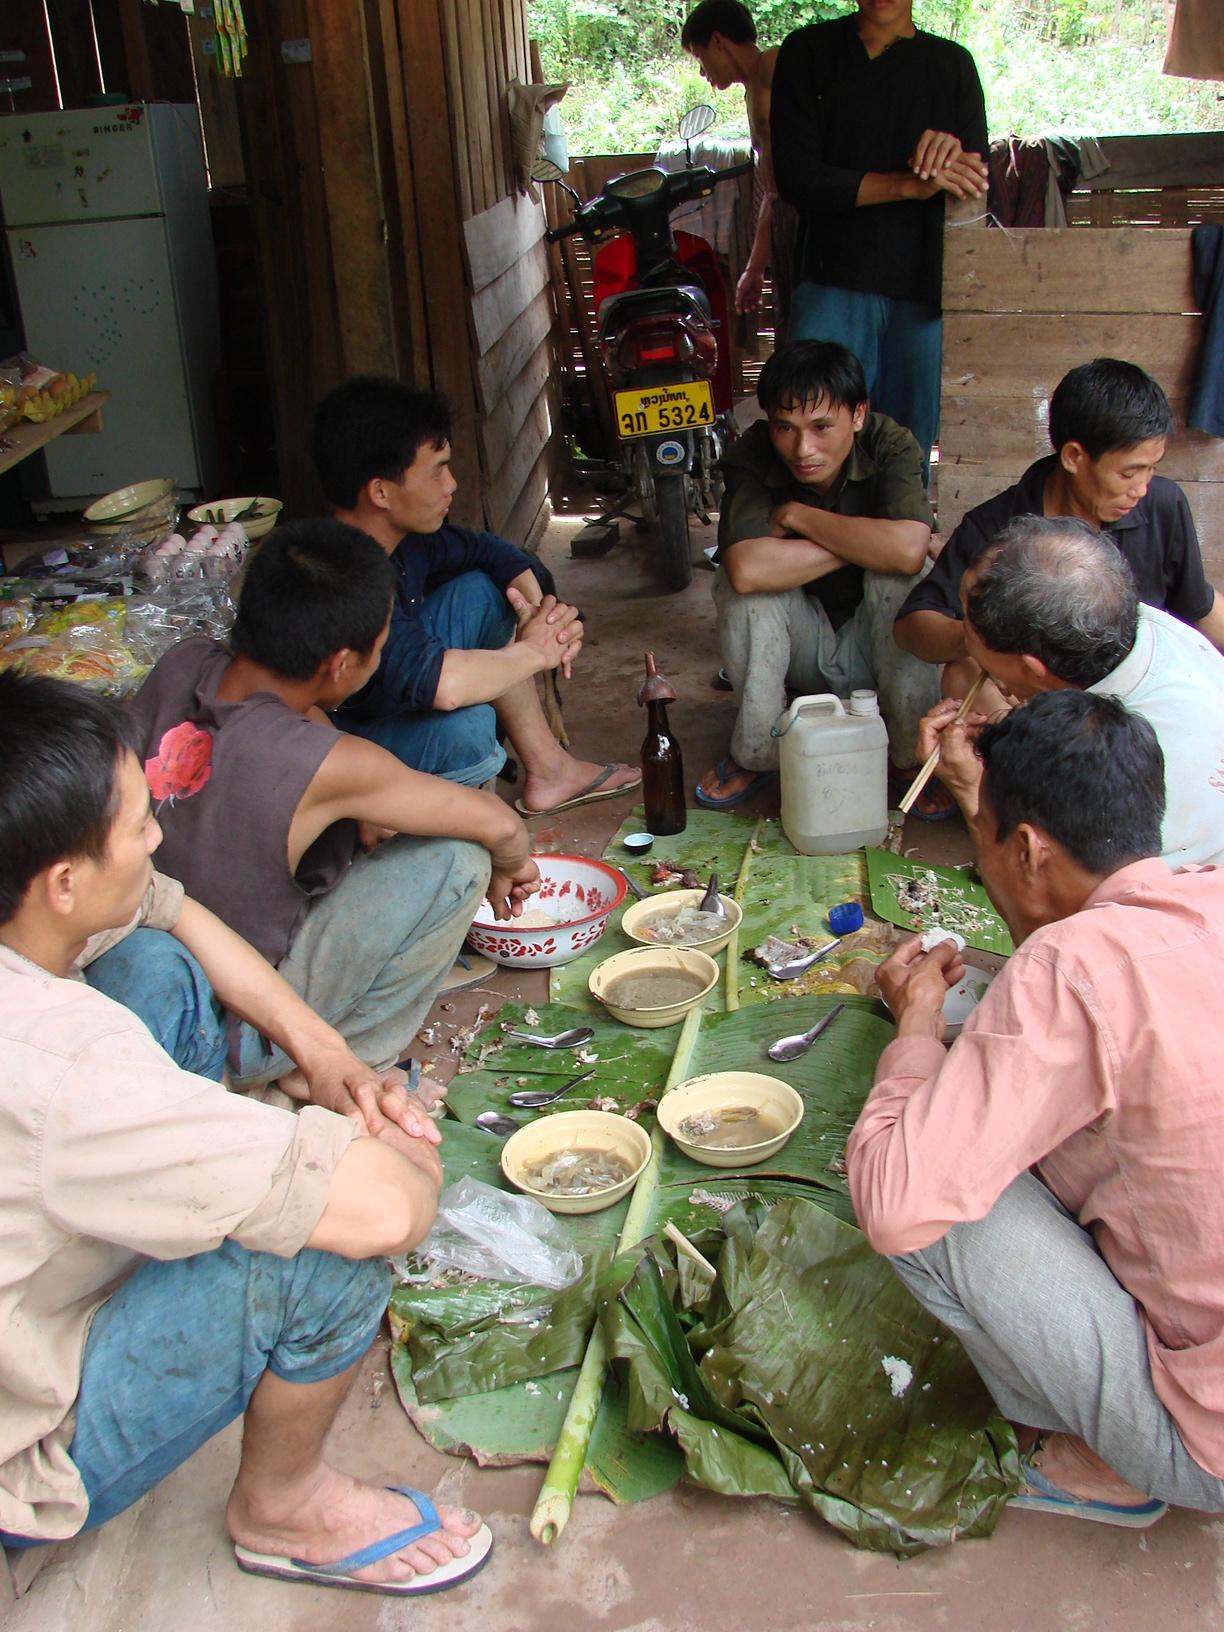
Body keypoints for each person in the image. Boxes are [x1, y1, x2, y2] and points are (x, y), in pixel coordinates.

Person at [0, 670, 492, 1594]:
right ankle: (282, 1505)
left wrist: (328, 1056)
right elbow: (386, 1213)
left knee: (155, 960)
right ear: (63, 882)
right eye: (139, 827)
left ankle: (207, 1179)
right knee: (321, 1253)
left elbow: (173, 907)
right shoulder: (66, 1068)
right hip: (20, 1451)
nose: (159, 837)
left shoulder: (27, 914)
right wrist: (389, 1136)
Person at [847, 689, 1224, 1527]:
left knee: (914, 1187)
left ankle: (1103, 1461)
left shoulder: (1068, 966)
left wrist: (916, 1025)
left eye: (981, 836)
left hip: (1207, 1441)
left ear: (1026, 848)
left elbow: (898, 1203)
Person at [125, 519, 540, 1094]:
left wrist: (357, 798)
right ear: (341, 664)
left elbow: (293, 716)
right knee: (460, 857)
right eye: (379, 648)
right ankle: (344, 1070)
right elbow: (499, 824)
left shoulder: (182, 661)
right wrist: (514, 862)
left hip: (142, 984)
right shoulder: (330, 766)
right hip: (234, 1028)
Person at [312, 376, 640, 818]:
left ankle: (551, 771)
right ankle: (447, 825)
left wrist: (540, 617)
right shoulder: (345, 581)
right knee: (468, 729)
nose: (451, 484)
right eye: (436, 471)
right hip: (346, 746)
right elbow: (443, 687)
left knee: (486, 591)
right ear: (380, 492)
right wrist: (536, 650)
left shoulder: (404, 540)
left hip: (391, 690)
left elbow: (492, 552)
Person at [697, 339, 940, 810]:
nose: (802, 449)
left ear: (858, 414)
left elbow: (908, 555)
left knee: (903, 580)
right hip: (799, 651)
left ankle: (911, 754)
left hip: (878, 647)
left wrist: (798, 518)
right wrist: (869, 542)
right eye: (785, 428)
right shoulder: (753, 453)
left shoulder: (889, 443)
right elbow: (746, 569)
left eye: (822, 427)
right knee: (743, 590)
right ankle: (757, 753)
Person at [895, 357, 1224, 692]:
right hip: (1041, 703)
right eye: (1128, 474)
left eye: (1152, 469)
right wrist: (984, 636)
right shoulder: (996, 527)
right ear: (1073, 457)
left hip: (1138, 691)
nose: (1141, 489)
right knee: (961, 676)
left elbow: (1199, 606)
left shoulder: (1162, 505)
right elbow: (912, 627)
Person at [917, 516, 1224, 868]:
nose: (962, 633)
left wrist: (969, 790)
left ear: (1032, 669)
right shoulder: (1134, 620)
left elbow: (1042, 894)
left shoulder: (1112, 761)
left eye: (968, 628)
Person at [769, 0, 988, 469]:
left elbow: (974, 181)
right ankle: (808, 519)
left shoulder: (951, 65)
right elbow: (797, 178)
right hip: (832, 279)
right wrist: (909, 185)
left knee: (905, 452)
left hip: (921, 290)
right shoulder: (809, 52)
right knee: (813, 440)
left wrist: (950, 157)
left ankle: (897, 521)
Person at [680, 0, 798, 336]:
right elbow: (773, 190)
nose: (702, 72)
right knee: (790, 334)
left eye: (700, 57)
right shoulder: (751, 94)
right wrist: (755, 267)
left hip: (814, 221)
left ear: (718, 41)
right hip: (785, 220)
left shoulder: (774, 63)